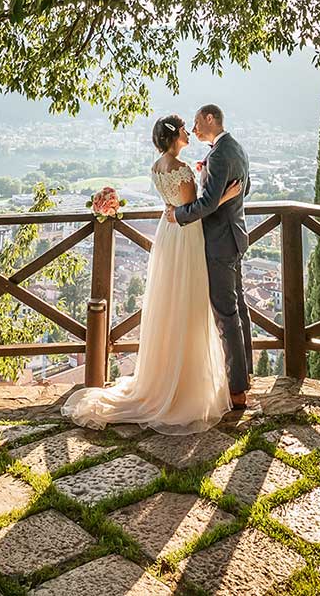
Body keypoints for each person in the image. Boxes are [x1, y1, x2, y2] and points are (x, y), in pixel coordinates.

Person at [62, 113, 243, 434]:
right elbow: (194, 210)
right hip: (186, 237)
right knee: (188, 305)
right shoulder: (182, 170)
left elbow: (176, 204)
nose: (190, 131)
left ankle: (165, 374)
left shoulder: (158, 167)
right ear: (175, 137)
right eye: (186, 129)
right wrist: (225, 196)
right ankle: (184, 383)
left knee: (171, 304)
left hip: (168, 236)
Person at [169, 104, 253, 412]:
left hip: (219, 242)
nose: (193, 130)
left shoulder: (219, 154)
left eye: (196, 123)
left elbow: (206, 204)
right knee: (239, 307)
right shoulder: (236, 148)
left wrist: (178, 215)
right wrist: (218, 189)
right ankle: (246, 375)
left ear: (209, 118)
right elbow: (247, 188)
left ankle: (237, 389)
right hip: (236, 237)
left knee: (225, 313)